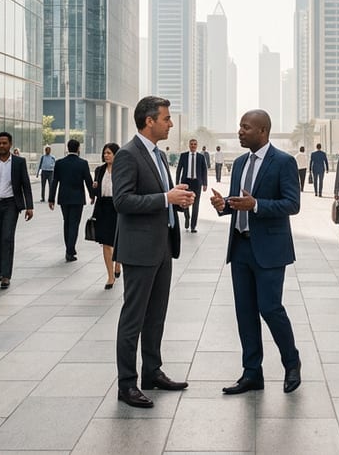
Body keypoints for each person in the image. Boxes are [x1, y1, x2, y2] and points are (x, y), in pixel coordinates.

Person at [209, 109, 302, 395]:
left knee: (270, 309)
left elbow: (292, 204)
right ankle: (252, 373)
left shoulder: (283, 162)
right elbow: (241, 202)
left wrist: (257, 205)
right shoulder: (238, 163)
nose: (240, 131)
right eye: (239, 126)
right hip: (240, 247)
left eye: (245, 127)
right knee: (245, 312)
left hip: (270, 249)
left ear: (262, 131)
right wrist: (224, 205)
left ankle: (292, 363)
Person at [114, 96, 194, 409]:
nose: (170, 123)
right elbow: (122, 201)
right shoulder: (127, 154)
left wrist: (177, 200)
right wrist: (165, 198)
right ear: (149, 121)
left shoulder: (159, 155)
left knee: (156, 316)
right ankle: (126, 384)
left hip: (162, 246)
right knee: (132, 319)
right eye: (166, 118)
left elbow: (163, 197)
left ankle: (152, 372)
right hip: (138, 250)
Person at [0, 132, 34, 290]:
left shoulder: (18, 162)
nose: (1, 146)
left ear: (10, 144)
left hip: (11, 204)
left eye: (4, 143)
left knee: (7, 238)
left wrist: (29, 206)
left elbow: (26, 185)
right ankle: (1, 269)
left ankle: (6, 275)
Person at [49, 139, 94, 261]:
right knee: (74, 223)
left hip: (64, 198)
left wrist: (51, 198)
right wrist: (92, 195)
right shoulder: (83, 163)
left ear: (68, 148)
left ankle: (69, 248)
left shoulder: (60, 163)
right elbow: (88, 180)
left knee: (67, 222)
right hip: (77, 198)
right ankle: (70, 250)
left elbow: (54, 181)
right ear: (78, 148)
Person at [91, 143, 122, 289]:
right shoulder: (99, 170)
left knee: (117, 240)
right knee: (105, 242)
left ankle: (118, 263)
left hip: (117, 207)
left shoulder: (122, 170)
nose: (106, 155)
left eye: (109, 153)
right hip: (103, 207)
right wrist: (94, 188)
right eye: (105, 153)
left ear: (116, 154)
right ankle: (110, 276)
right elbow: (95, 189)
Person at [175, 138, 208, 233]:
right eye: (191, 144)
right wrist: (177, 183)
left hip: (197, 183)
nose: (193, 146)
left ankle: (193, 226)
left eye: (195, 144)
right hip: (186, 182)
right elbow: (179, 169)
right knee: (185, 202)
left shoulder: (201, 157)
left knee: (196, 204)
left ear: (196, 146)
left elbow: (204, 170)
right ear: (189, 145)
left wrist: (205, 183)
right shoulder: (184, 156)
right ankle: (187, 218)